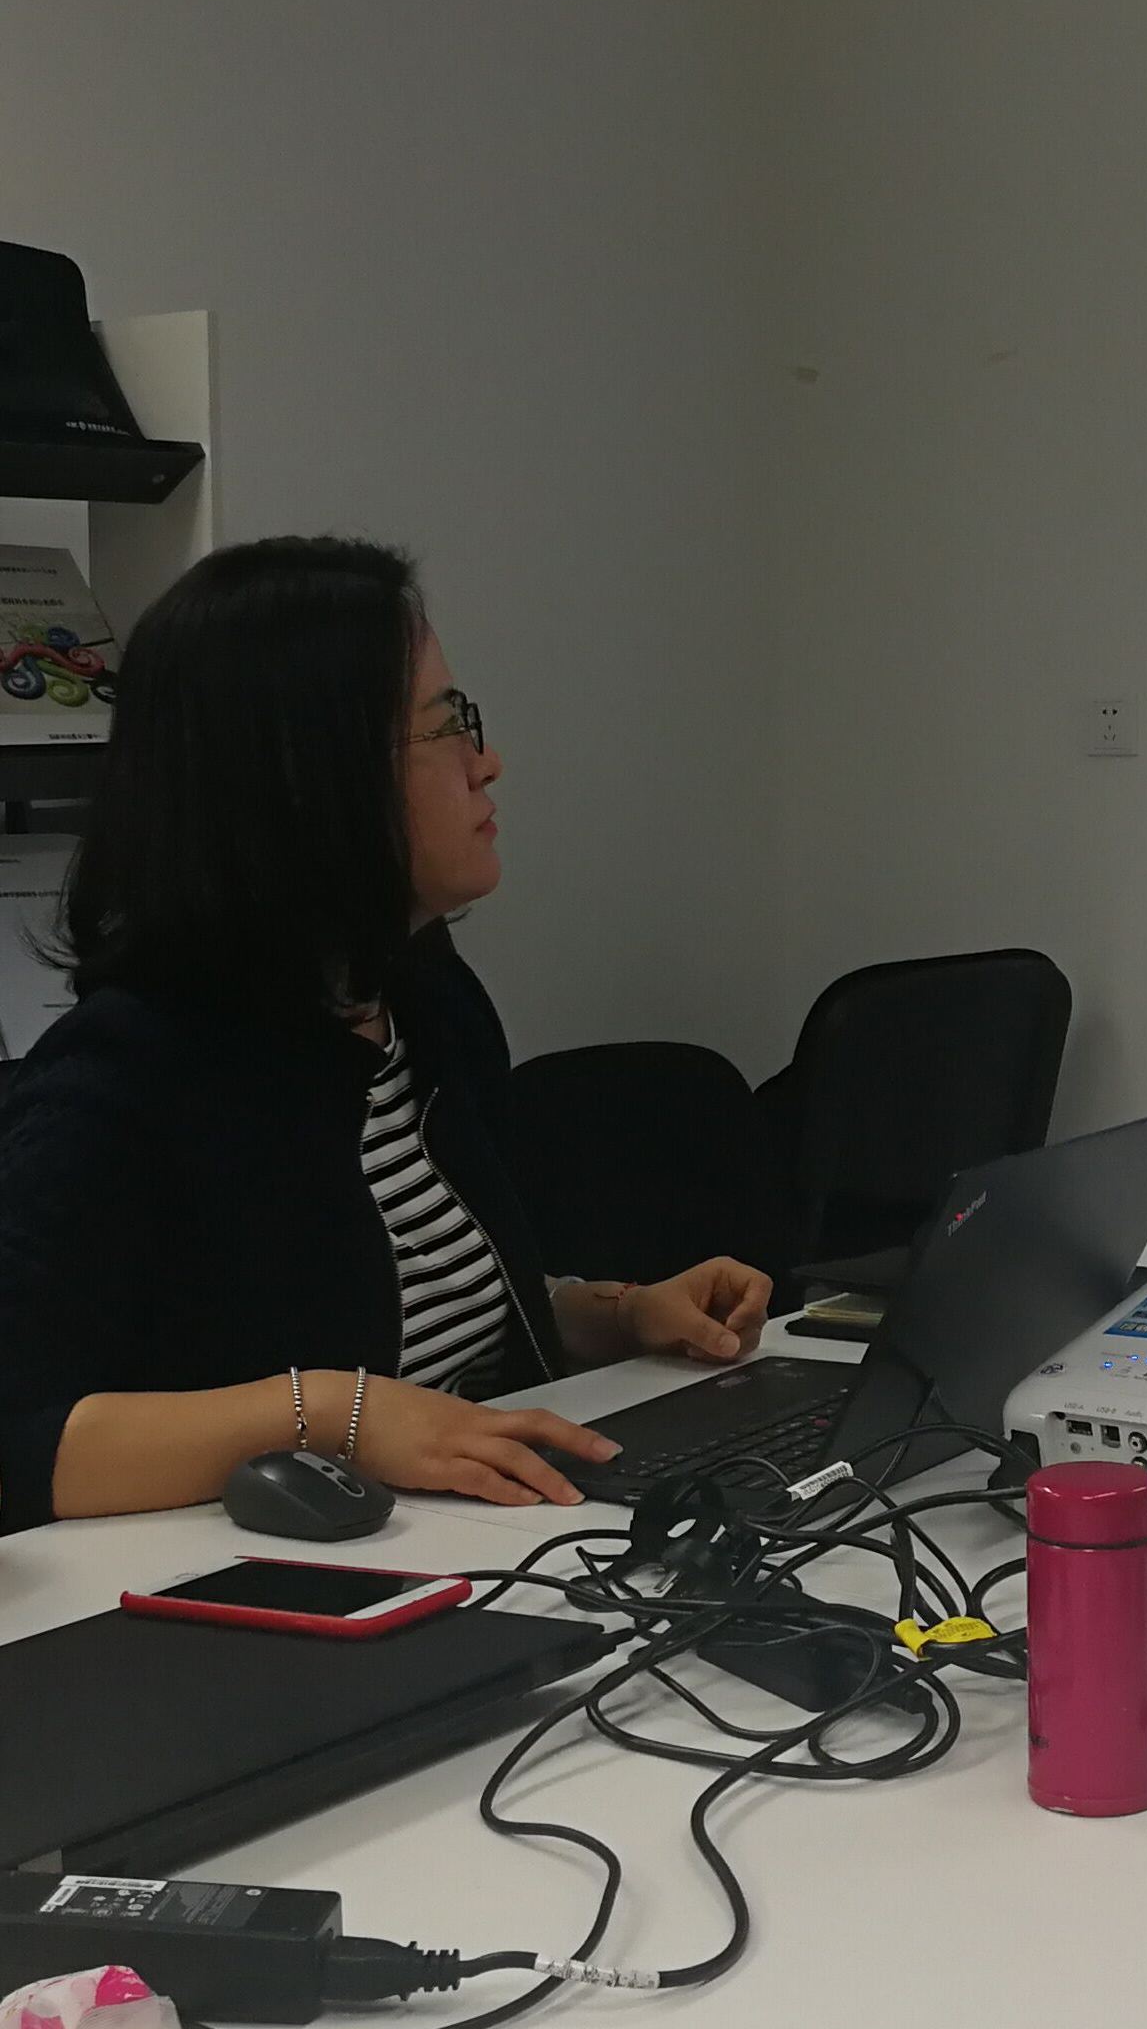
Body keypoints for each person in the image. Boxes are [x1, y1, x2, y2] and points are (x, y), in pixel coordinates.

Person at [0, 536, 772, 1532]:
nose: (488, 763)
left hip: (464, 1545)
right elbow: (17, 1439)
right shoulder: (122, 1080)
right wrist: (332, 1413)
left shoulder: (423, 997)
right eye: (447, 727)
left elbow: (413, 1313)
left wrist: (617, 1314)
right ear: (312, 779)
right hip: (249, 1593)